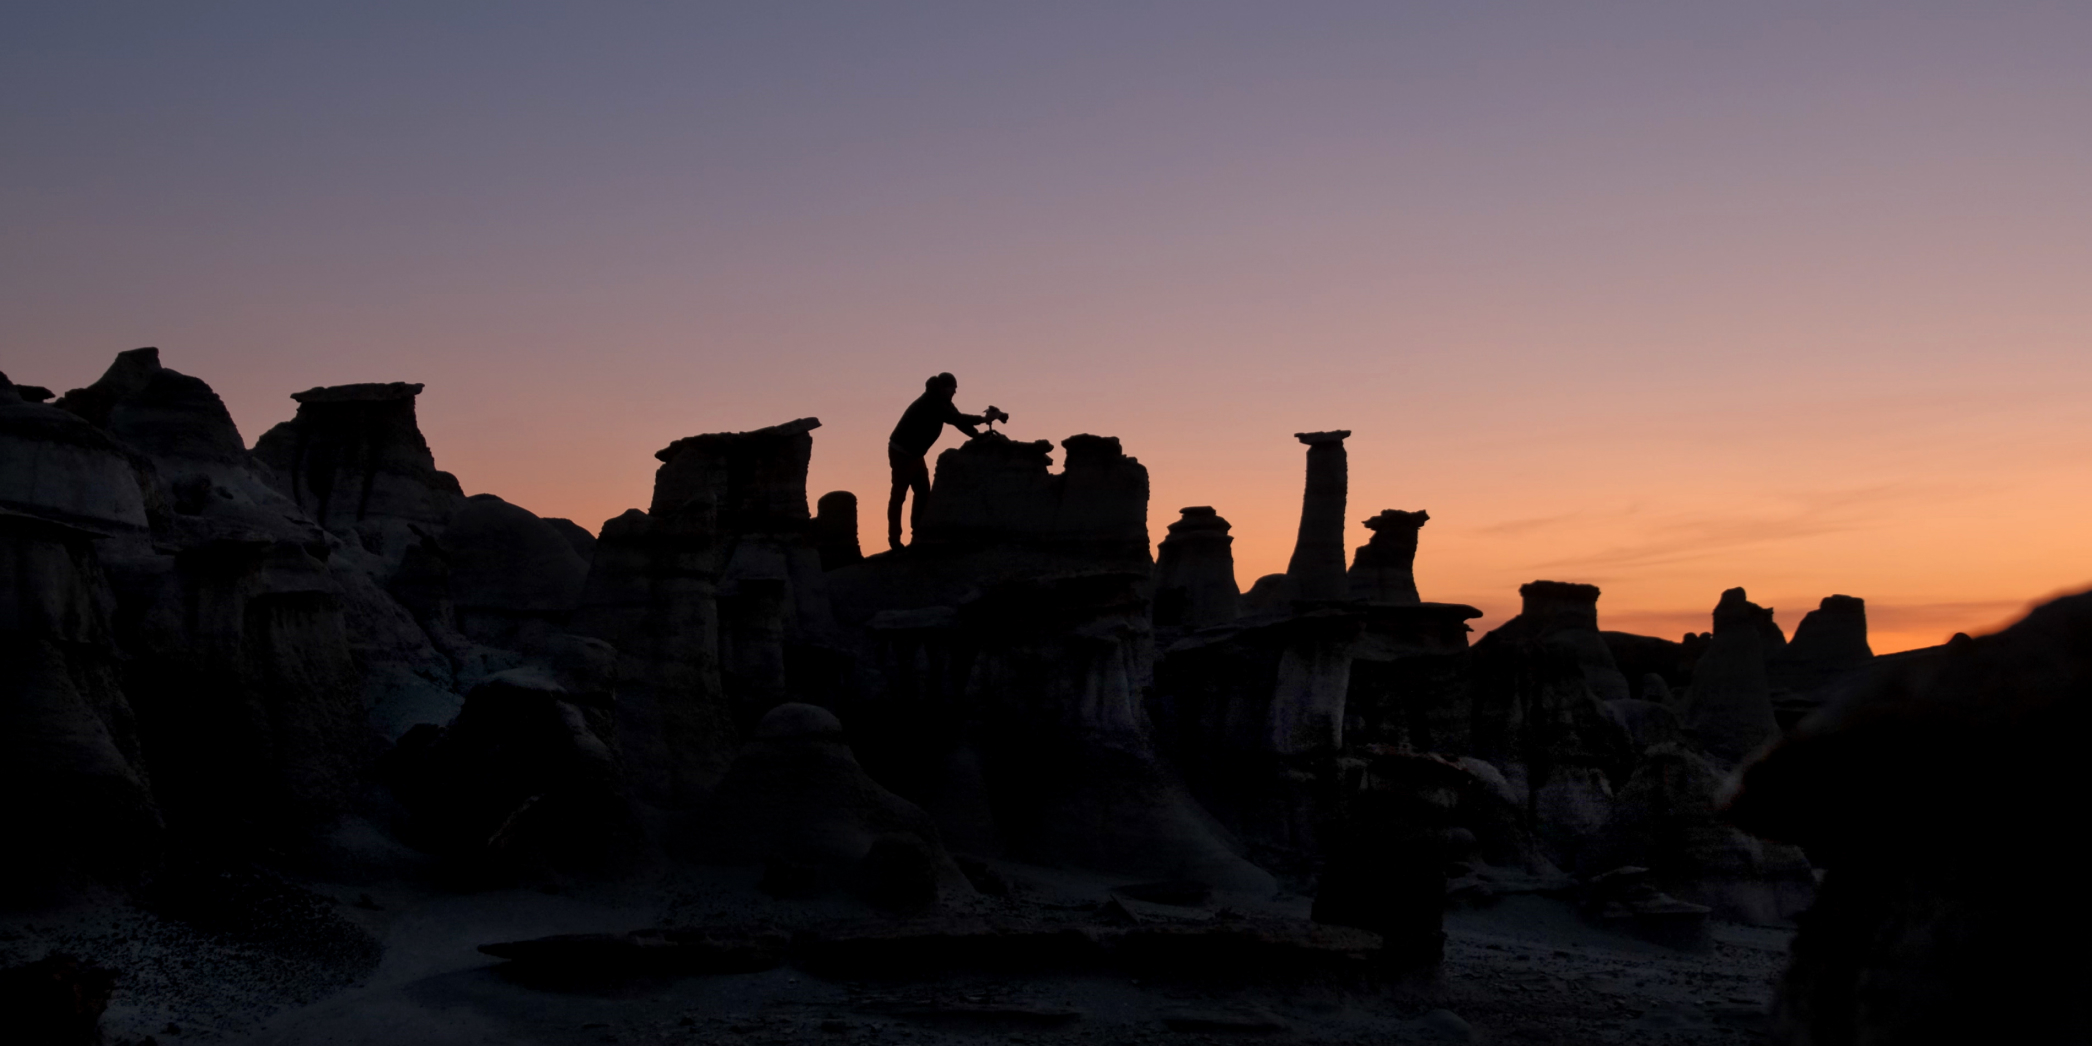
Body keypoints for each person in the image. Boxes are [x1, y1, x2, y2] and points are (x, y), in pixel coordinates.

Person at [887, 372, 999, 550]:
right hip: (902, 452)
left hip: (916, 454)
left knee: (923, 492)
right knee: (899, 496)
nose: (955, 392)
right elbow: (957, 418)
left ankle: (917, 534)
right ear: (945, 387)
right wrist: (985, 419)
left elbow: (958, 421)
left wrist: (977, 435)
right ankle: (894, 540)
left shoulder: (942, 400)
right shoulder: (932, 402)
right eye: (953, 388)